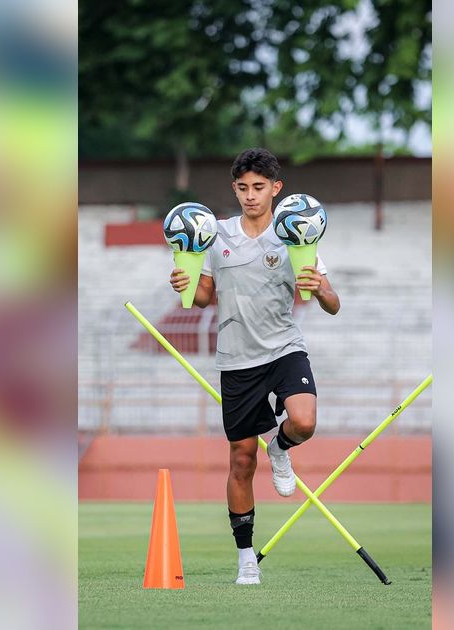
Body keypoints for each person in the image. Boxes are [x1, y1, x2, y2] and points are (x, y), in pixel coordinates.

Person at [170, 147, 340, 585]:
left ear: (276, 189)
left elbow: (333, 304)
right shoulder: (216, 236)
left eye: (259, 187)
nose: (250, 195)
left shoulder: (295, 233)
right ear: (235, 188)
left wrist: (320, 288)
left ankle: (281, 448)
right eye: (243, 188)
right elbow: (205, 297)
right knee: (242, 460)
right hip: (237, 358)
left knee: (303, 421)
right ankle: (246, 558)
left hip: (284, 348)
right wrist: (185, 285)